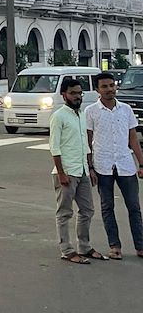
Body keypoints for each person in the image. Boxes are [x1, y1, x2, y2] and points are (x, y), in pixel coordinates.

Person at [85, 71, 143, 260]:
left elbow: (133, 139)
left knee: (134, 206)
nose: (109, 89)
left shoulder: (125, 109)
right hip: (103, 166)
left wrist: (141, 163)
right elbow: (88, 141)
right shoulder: (91, 112)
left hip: (126, 164)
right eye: (104, 87)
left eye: (111, 85)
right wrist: (91, 167)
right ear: (97, 90)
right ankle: (114, 246)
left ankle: (140, 246)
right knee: (107, 206)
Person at [49, 77, 107, 264]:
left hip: (81, 170)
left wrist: (90, 168)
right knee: (64, 213)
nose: (77, 96)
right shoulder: (59, 116)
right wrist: (61, 173)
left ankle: (84, 246)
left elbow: (85, 145)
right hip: (66, 172)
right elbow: (54, 148)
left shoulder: (81, 115)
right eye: (73, 93)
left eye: (79, 93)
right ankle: (67, 250)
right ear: (64, 95)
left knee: (87, 210)